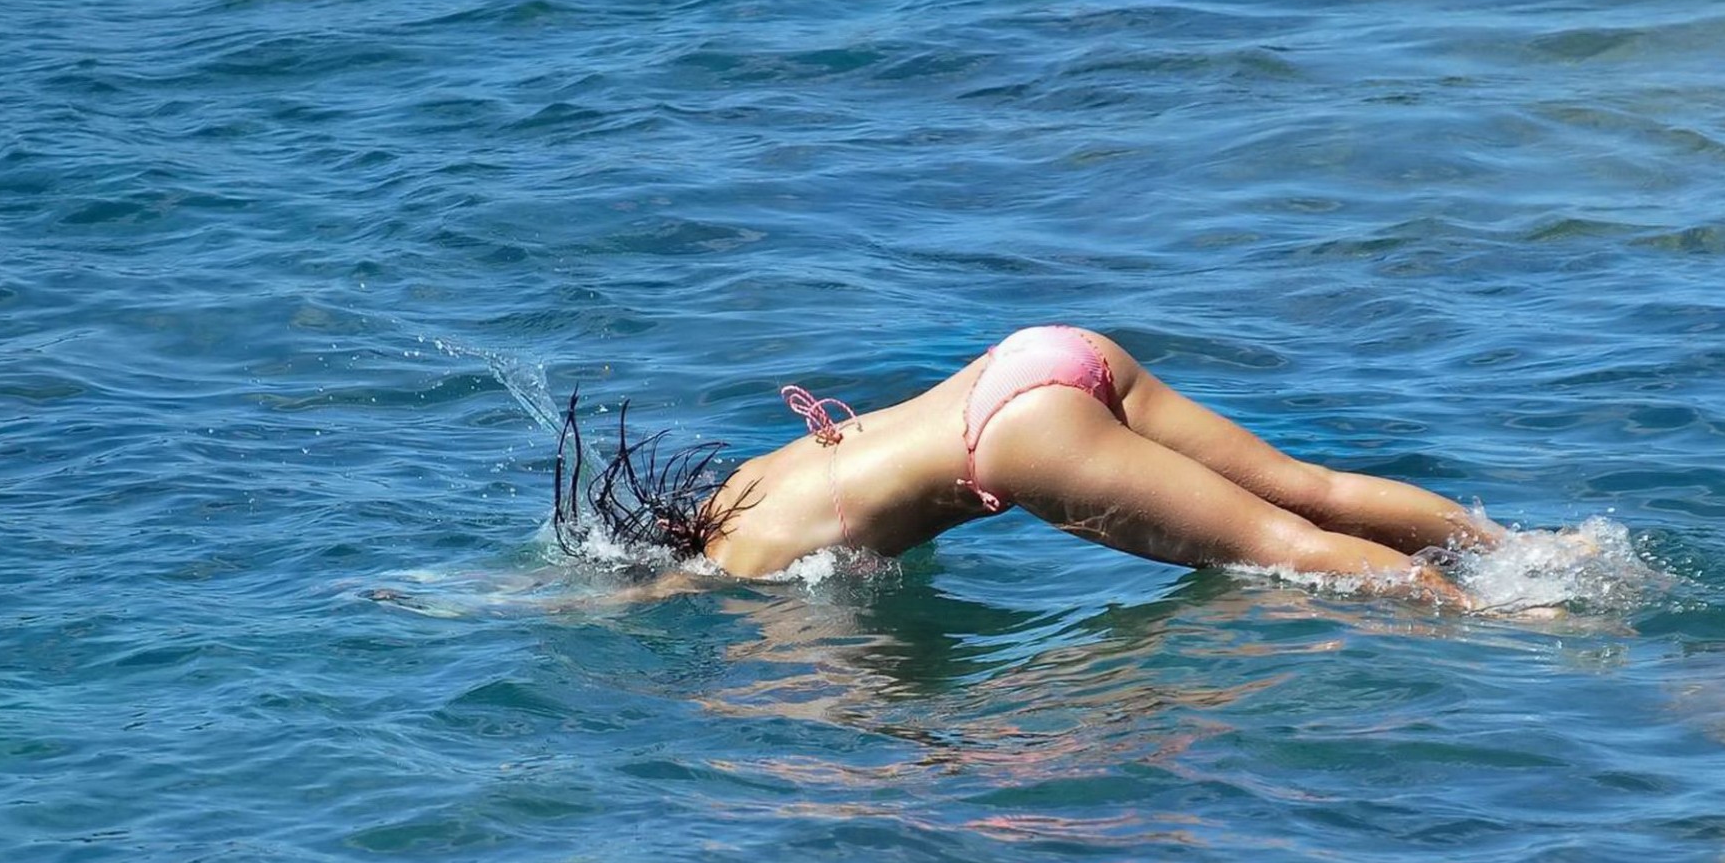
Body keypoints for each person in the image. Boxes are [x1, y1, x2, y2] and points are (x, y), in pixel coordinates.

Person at [554, 325, 1503, 603]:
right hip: (1032, 357)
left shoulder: (745, 564)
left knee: (1281, 546)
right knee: (1312, 492)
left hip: (1009, 440)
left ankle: (1511, 620)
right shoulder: (744, 482)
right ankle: (1525, 552)